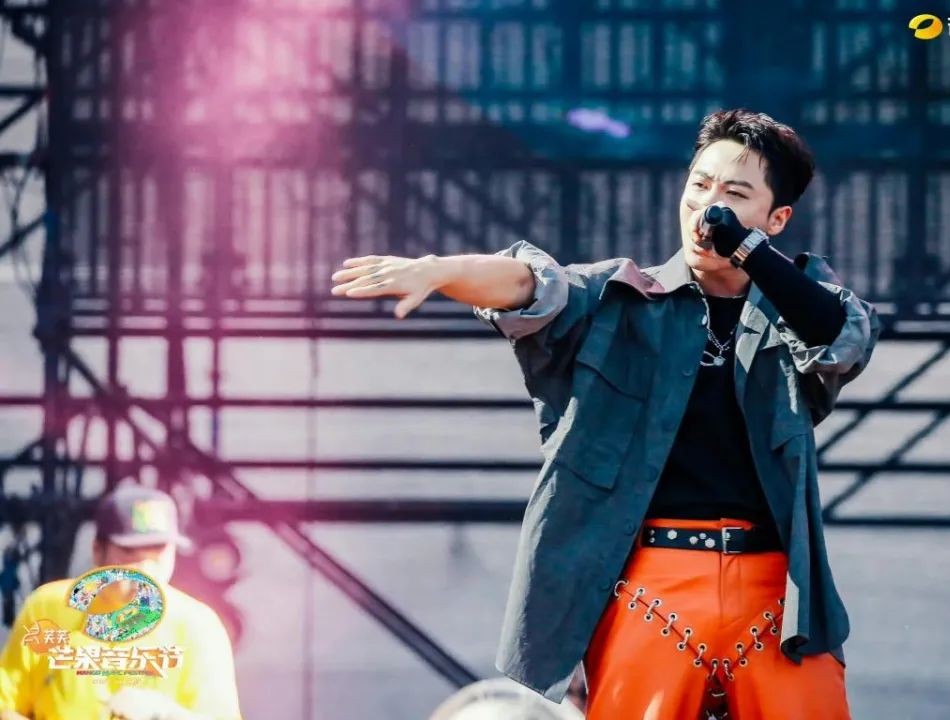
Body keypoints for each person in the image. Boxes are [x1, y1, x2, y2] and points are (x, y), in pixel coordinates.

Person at [330, 108, 880, 719]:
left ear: (777, 219)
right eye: (699, 185)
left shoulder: (801, 304)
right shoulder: (620, 299)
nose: (708, 206)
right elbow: (530, 284)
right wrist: (444, 271)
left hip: (778, 595)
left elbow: (843, 337)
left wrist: (747, 250)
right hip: (653, 589)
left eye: (734, 193)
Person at [0, 484, 243, 720]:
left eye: (158, 551)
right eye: (130, 552)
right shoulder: (48, 606)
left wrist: (164, 714)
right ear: (98, 551)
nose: (146, 568)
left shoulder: (197, 625)